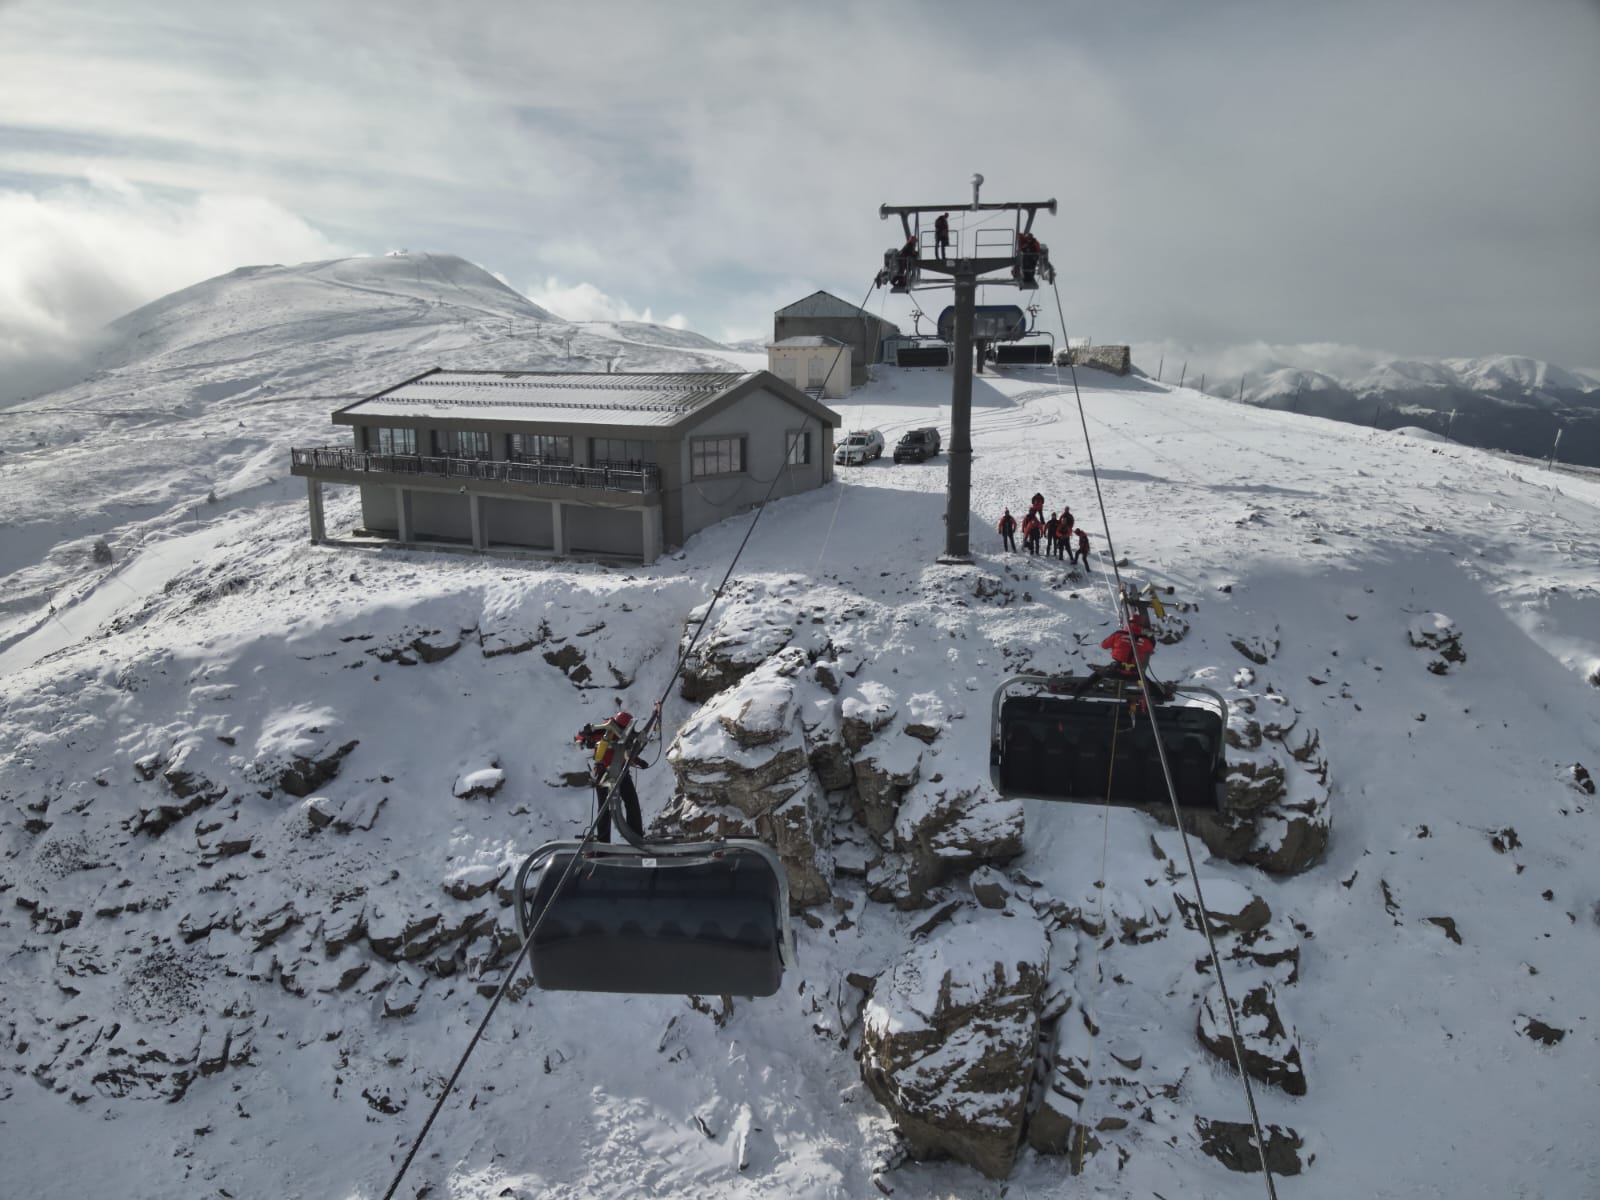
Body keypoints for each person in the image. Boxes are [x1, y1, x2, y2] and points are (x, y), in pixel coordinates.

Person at [575, 709, 649, 842]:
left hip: (620, 771)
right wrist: (585, 735)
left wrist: (638, 761)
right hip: (604, 773)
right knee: (606, 808)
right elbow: (581, 736)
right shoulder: (604, 730)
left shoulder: (624, 735)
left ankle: (637, 837)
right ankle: (604, 843)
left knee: (630, 802)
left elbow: (627, 752)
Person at [1072, 615, 1171, 699]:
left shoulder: (1119, 634)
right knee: (1146, 681)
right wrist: (1148, 636)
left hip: (1116, 669)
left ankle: (1078, 690)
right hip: (1133, 673)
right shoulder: (1145, 640)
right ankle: (1160, 695)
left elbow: (1104, 645)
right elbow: (1150, 648)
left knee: (1098, 675)